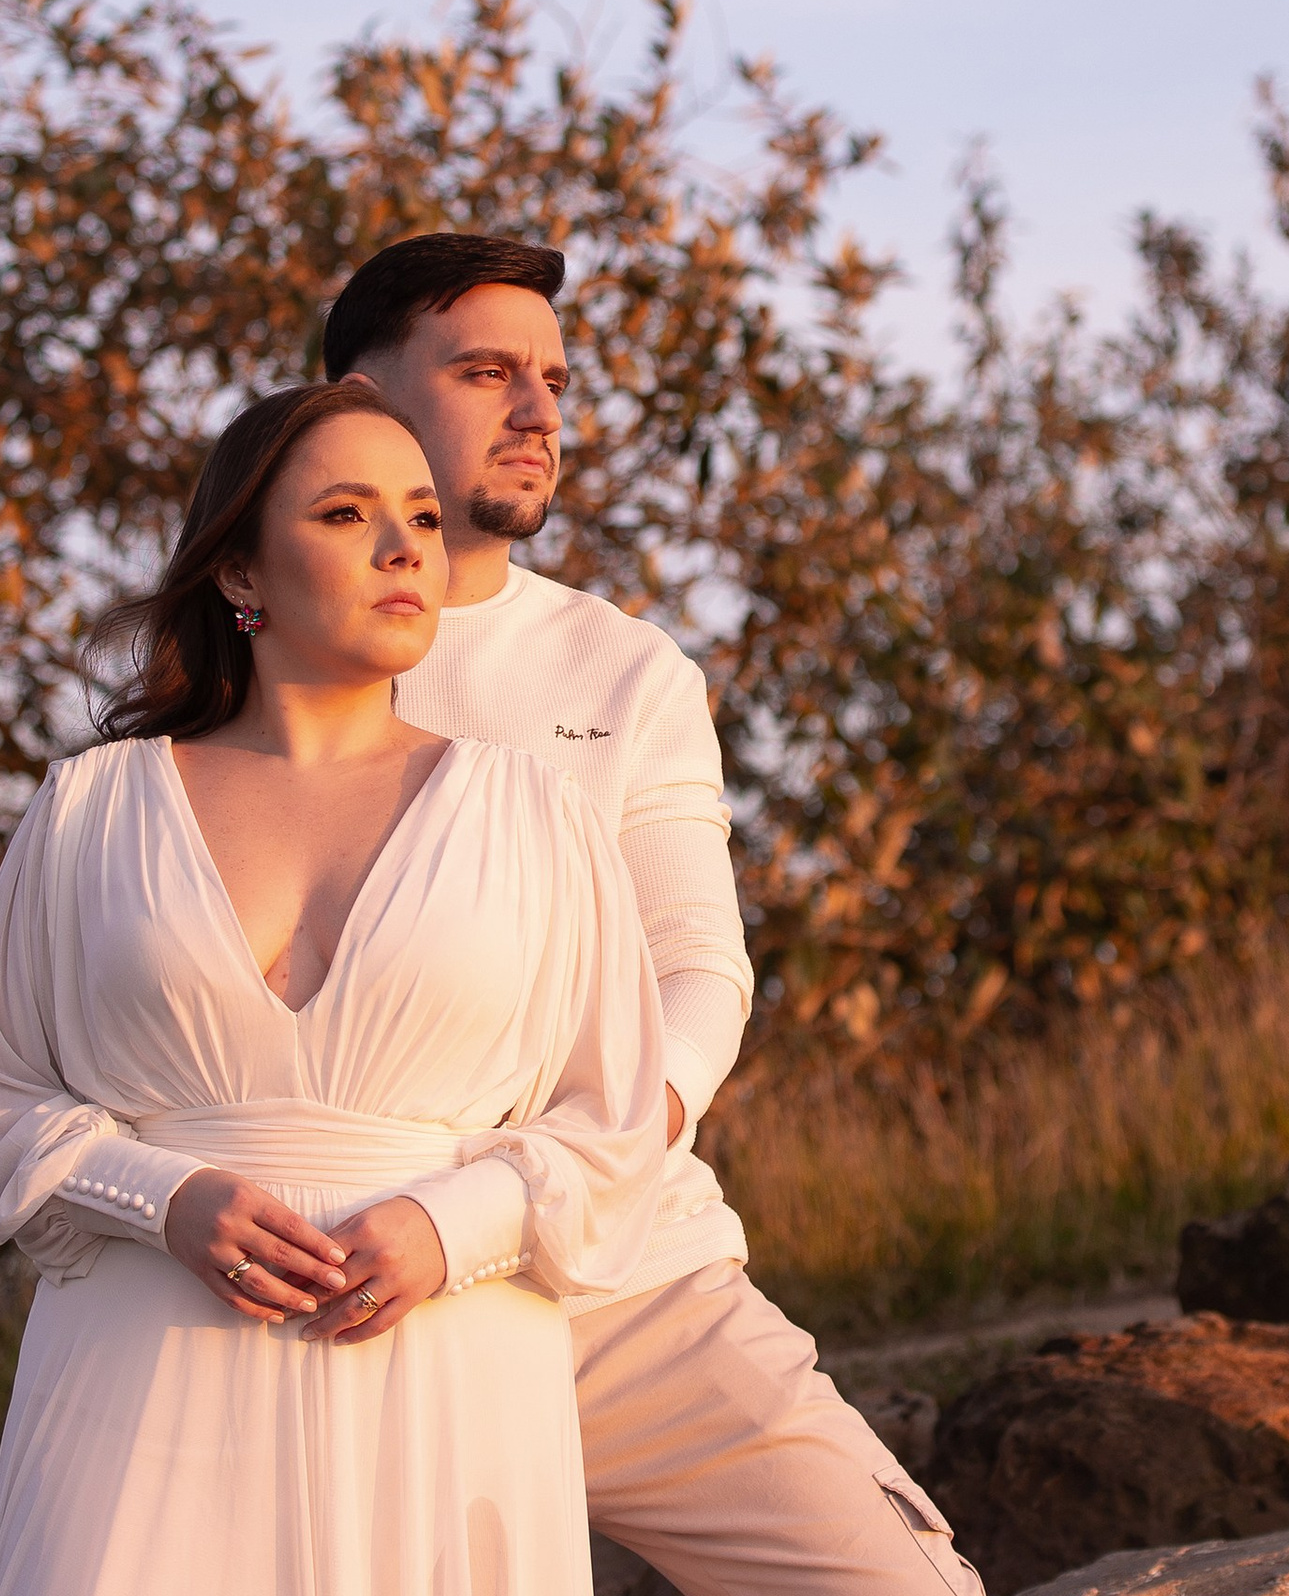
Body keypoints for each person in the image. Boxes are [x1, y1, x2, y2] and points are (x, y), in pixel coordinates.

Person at [327, 235, 984, 1596]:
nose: (540, 412)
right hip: (345, 1282)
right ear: (358, 403)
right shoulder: (220, 677)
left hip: (616, 1272)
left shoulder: (620, 670)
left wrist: (579, 1159)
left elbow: (698, 970)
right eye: (486, 372)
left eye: (555, 378)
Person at [0, 379, 667, 1596]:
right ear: (240, 575)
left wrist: (454, 1226)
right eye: (344, 513)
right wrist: (158, 1193)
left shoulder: (538, 816)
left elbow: (617, 1124)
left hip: (449, 1376)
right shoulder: (92, 808)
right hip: (139, 1383)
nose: (403, 550)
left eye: (425, 519)